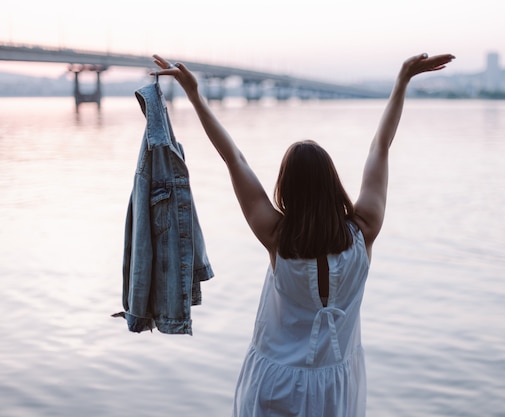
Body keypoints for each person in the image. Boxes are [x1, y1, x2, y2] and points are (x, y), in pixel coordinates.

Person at [153, 51, 455, 417]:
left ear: (287, 189)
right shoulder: (365, 230)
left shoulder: (277, 237)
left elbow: (234, 159)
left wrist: (196, 96)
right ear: (332, 183)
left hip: (272, 385)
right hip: (335, 390)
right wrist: (402, 80)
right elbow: (380, 147)